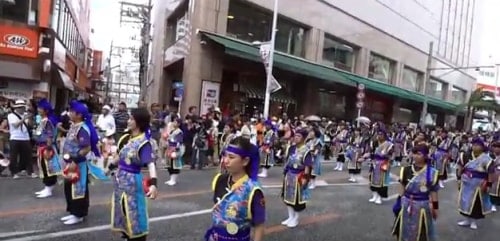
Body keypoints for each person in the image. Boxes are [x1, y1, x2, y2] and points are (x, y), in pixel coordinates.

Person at [108, 108, 158, 241]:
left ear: (139, 122)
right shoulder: (127, 138)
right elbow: (120, 155)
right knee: (122, 208)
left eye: (131, 119)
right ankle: (126, 234)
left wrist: (153, 184)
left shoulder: (144, 143)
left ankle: (137, 237)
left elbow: (150, 164)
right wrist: (110, 167)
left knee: (134, 211)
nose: (128, 121)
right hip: (120, 179)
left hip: (132, 181)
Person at [205, 136, 265, 241]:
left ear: (245, 161)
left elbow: (259, 225)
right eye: (225, 156)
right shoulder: (219, 180)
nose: (225, 161)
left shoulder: (253, 190)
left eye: (231, 157)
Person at [60, 100, 100, 225]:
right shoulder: (74, 126)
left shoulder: (82, 129)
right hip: (70, 162)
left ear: (79, 115)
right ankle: (73, 211)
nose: (69, 113)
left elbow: (86, 148)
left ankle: (79, 214)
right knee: (69, 187)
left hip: (77, 163)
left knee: (78, 189)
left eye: (72, 111)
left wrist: (75, 160)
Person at [392, 144, 440, 241]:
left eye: (419, 154)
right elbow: (402, 188)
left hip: (423, 206)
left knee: (421, 231)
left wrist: (435, 207)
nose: (415, 156)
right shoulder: (405, 170)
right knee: (403, 229)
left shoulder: (432, 172)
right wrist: (399, 202)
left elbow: (434, 192)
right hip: (406, 205)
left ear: (426, 155)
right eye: (414, 153)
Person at [457, 137, 494, 229]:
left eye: (477, 145)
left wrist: (489, 184)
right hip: (466, 183)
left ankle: (474, 221)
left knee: (476, 203)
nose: (475, 147)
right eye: (473, 145)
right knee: (465, 201)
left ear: (482, 147)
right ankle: (466, 220)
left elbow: (490, 173)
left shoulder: (487, 159)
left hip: (479, 184)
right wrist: (458, 178)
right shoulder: (465, 155)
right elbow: (460, 168)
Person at [281, 128, 313, 228]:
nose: (296, 138)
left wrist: (305, 178)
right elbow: (287, 161)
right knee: (287, 198)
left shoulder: (306, 151)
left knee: (297, 201)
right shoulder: (291, 148)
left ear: (303, 138)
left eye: (299, 136)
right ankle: (290, 217)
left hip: (299, 176)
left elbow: (308, 166)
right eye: (295, 136)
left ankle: (296, 218)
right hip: (289, 176)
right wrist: (285, 173)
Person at [33, 99, 62, 198]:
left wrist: (48, 149)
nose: (38, 110)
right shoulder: (43, 120)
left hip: (46, 147)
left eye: (40, 108)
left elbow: (49, 136)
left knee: (49, 168)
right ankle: (47, 187)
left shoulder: (47, 122)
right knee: (44, 168)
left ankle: (49, 189)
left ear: (46, 110)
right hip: (42, 147)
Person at [7, 99, 35, 179]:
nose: (22, 109)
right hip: (15, 137)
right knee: (14, 156)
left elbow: (30, 125)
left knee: (28, 156)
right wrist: (23, 118)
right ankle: (14, 172)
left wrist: (30, 118)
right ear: (17, 108)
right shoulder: (11, 115)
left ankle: (30, 172)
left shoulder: (26, 115)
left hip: (25, 138)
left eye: (23, 107)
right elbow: (15, 125)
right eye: (20, 108)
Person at [368, 128, 393, 205]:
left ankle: (379, 197)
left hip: (383, 164)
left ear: (385, 136)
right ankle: (374, 195)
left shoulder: (389, 144)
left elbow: (391, 155)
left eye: (381, 134)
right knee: (373, 180)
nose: (379, 136)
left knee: (381, 181)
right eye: (378, 134)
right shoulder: (375, 143)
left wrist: (388, 162)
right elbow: (371, 152)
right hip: (375, 163)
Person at [164, 118, 184, 185]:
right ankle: (171, 179)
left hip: (175, 149)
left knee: (175, 165)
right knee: (169, 165)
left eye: (175, 122)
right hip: (169, 148)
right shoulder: (172, 130)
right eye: (174, 122)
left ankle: (174, 180)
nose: (174, 123)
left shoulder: (179, 132)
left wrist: (175, 148)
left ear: (179, 124)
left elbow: (179, 141)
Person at [489, 140, 500, 212]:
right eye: (495, 147)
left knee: (497, 189)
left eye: (498, 147)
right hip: (491, 173)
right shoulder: (490, 155)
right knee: (491, 188)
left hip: (498, 174)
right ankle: (491, 204)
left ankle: (496, 203)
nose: (496, 149)